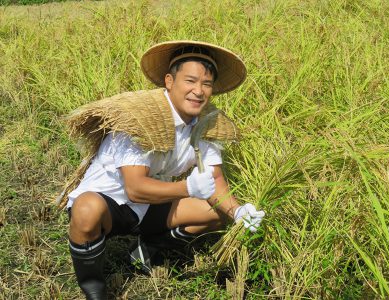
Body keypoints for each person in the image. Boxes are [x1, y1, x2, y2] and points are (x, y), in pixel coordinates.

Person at [64, 41, 265, 300]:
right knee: (86, 209)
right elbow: (135, 189)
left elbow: (215, 179)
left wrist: (237, 211)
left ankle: (147, 247)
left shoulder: (206, 124)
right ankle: (94, 288)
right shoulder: (141, 118)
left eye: (206, 83)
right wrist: (187, 188)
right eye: (190, 81)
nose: (198, 91)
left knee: (216, 213)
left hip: (150, 204)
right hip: (110, 202)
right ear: (169, 81)